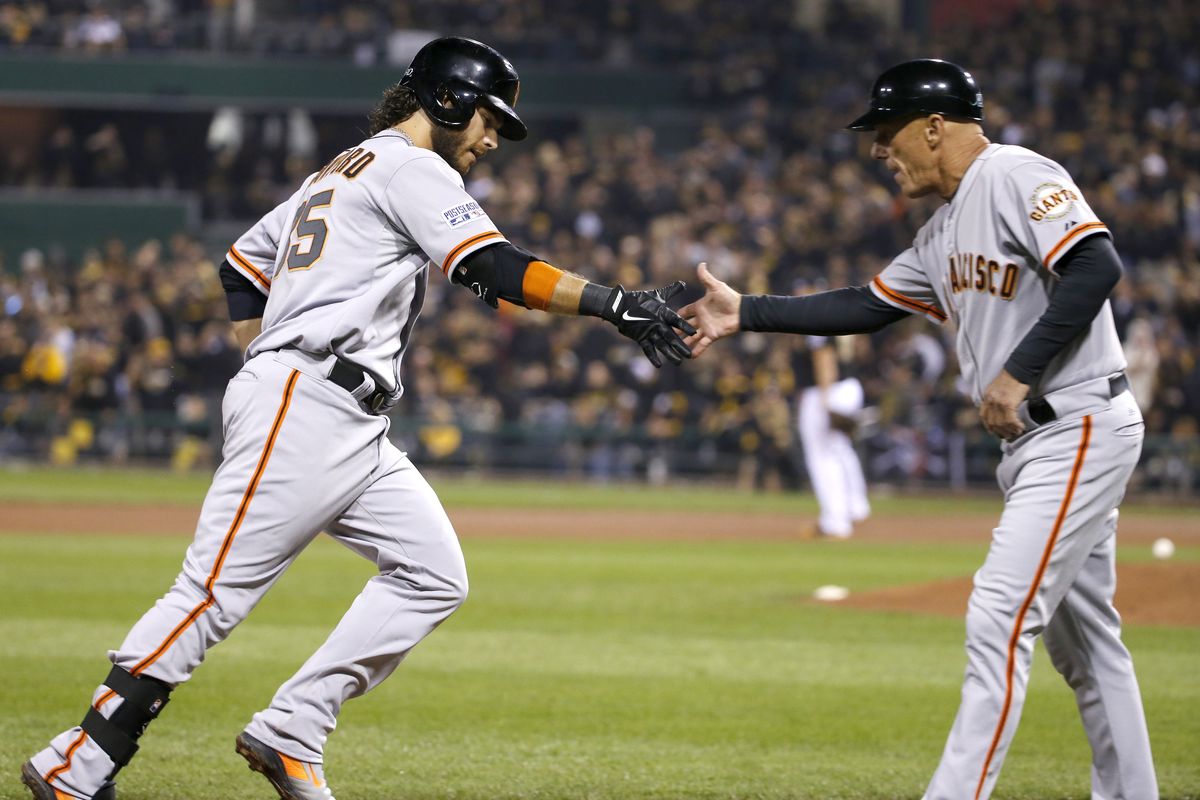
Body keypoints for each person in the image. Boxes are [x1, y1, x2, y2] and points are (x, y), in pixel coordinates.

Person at [21, 36, 693, 800]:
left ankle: (293, 728)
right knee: (209, 596)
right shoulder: (412, 167)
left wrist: (260, 356)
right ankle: (77, 763)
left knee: (433, 575)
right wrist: (615, 303)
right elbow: (491, 269)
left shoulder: (344, 166)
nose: (492, 138)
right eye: (488, 118)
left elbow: (242, 263)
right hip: (307, 399)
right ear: (445, 99)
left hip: (347, 417)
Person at [681, 59, 1157, 800]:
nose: (877, 150)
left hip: (1078, 420)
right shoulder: (942, 229)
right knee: (1089, 649)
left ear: (936, 126)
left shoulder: (1016, 173)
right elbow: (865, 305)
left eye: (885, 132)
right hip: (1043, 437)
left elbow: (1097, 265)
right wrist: (747, 312)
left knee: (999, 613)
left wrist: (1018, 370)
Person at [796, 336, 869, 539]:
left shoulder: (811, 309)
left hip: (827, 389)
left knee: (822, 457)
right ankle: (856, 507)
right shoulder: (835, 306)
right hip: (849, 384)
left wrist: (825, 400)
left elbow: (823, 355)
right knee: (840, 450)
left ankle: (835, 522)